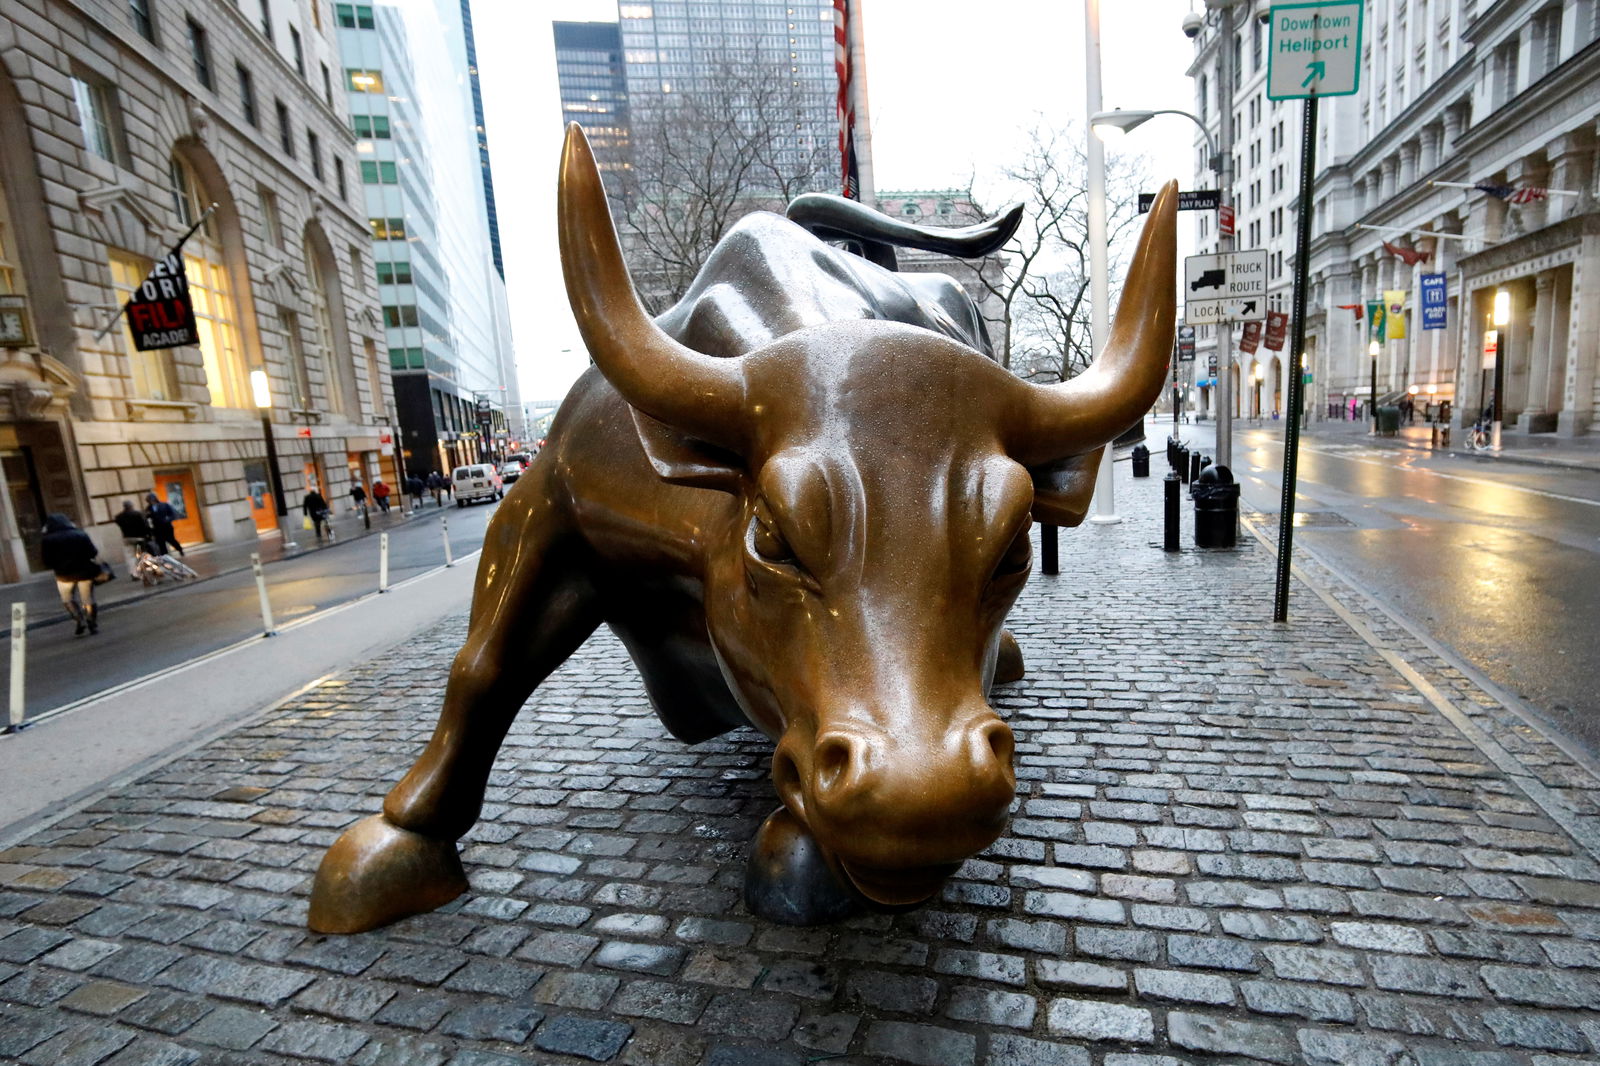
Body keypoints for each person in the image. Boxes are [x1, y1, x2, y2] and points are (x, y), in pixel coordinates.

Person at [41, 514, 103, 635]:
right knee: (88, 598)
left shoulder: (47, 539)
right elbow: (93, 552)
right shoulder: (80, 534)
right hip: (84, 571)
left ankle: (79, 619)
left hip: (63, 574)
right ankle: (91, 623)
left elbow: (46, 561)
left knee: (67, 598)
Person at [112, 500, 153, 577]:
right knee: (142, 554)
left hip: (127, 538)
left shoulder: (119, 517)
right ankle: (147, 570)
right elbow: (145, 525)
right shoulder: (138, 514)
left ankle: (134, 573)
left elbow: (117, 521)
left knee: (130, 557)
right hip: (139, 538)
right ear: (131, 506)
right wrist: (149, 535)